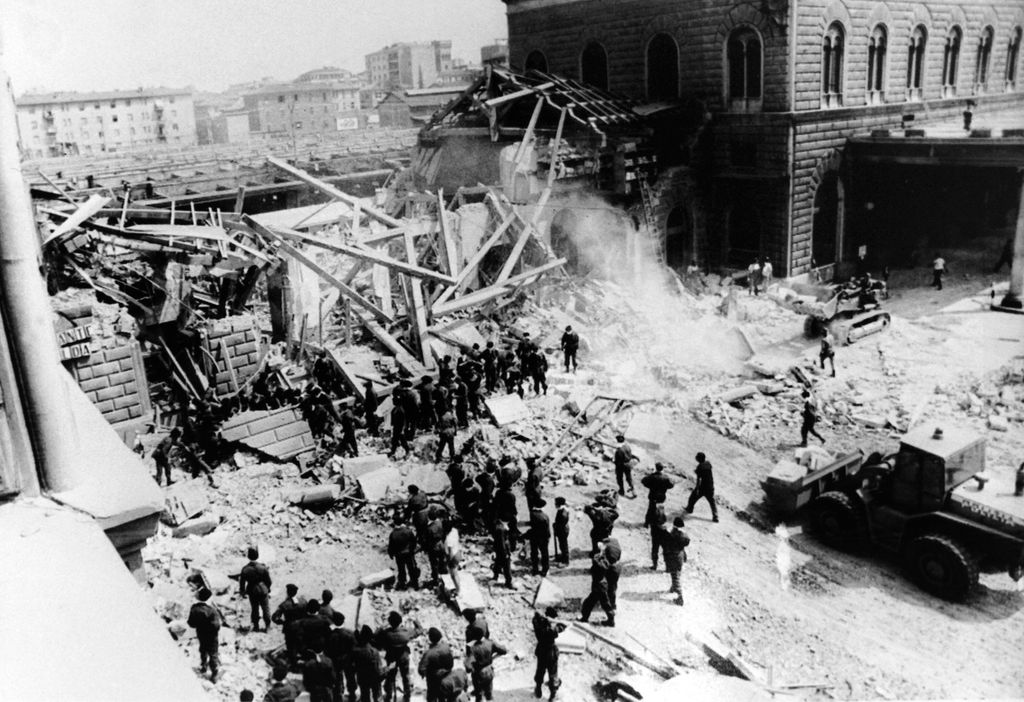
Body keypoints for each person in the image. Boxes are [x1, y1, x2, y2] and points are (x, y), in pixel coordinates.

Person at [375, 611, 420, 702]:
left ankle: (389, 695)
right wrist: (415, 620)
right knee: (405, 676)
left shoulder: (386, 634)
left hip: (391, 657)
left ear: (390, 622)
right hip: (403, 656)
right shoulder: (406, 632)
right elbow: (419, 630)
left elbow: (376, 636)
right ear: (400, 622)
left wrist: (382, 626)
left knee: (390, 677)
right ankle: (407, 695)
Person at [187, 587, 222, 682]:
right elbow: (217, 626)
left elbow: (191, 623)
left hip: (201, 634)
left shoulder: (194, 608)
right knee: (213, 655)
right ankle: (214, 674)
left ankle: (203, 667)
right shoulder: (212, 611)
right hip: (212, 637)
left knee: (203, 650)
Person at [532, 607, 566, 700]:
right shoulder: (552, 630)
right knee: (553, 674)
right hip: (551, 652)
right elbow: (562, 626)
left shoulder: (537, 623)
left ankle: (538, 689)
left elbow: (535, 619)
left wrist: (541, 617)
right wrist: (553, 622)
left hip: (541, 650)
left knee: (540, 670)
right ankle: (553, 695)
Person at [465, 628, 507, 702]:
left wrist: (469, 666)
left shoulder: (473, 648)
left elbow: (468, 667)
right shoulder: (490, 643)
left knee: (479, 695)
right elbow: (504, 650)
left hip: (478, 674)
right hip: (489, 671)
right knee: (489, 693)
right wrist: (493, 657)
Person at [239, 546, 272, 632]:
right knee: (266, 608)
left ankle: (256, 626)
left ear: (248, 556)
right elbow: (268, 581)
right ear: (257, 556)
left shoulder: (245, 569)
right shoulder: (262, 567)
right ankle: (267, 626)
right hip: (263, 589)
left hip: (252, 590)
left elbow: (242, 583)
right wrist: (267, 588)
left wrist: (242, 592)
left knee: (254, 609)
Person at [579, 549, 615, 627]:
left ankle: (585, 618)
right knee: (603, 604)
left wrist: (597, 556)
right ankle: (611, 620)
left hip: (598, 587)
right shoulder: (604, 564)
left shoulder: (598, 566)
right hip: (602, 585)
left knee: (590, 603)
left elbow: (595, 564)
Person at [328, 612, 358, 702]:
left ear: (333, 622)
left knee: (337, 678)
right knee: (350, 677)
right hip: (348, 660)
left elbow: (328, 649)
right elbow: (354, 648)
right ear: (343, 621)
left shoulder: (330, 635)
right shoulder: (350, 633)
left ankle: (338, 695)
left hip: (335, 660)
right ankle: (352, 694)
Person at [419, 627, 454, 702]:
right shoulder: (446, 647)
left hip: (433, 679)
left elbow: (421, 669)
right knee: (443, 697)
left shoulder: (429, 653)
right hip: (446, 677)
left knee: (432, 697)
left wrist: (425, 673)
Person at [661, 516, 691, 605]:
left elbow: (668, 542)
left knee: (675, 577)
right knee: (677, 574)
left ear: (674, 525)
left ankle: (679, 598)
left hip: (673, 558)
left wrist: (665, 531)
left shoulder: (674, 534)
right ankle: (673, 588)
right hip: (680, 557)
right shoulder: (684, 536)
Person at [388, 513, 421, 591]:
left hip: (399, 555)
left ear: (395, 523)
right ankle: (415, 584)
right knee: (411, 568)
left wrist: (391, 554)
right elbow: (414, 542)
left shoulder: (393, 534)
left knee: (401, 570)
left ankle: (402, 584)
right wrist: (412, 550)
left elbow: (391, 546)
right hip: (408, 553)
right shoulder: (408, 531)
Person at [352, 625, 384, 702]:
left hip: (362, 677)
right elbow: (378, 669)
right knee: (377, 695)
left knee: (365, 695)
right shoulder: (374, 651)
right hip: (374, 677)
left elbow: (352, 666)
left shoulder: (355, 651)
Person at [685, 452, 719, 522]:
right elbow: (707, 470)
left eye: (697, 457)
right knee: (712, 502)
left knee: (693, 497)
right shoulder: (708, 463)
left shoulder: (699, 467)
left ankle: (689, 509)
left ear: (699, 459)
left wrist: (697, 489)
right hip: (710, 486)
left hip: (702, 487)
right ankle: (715, 516)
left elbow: (699, 479)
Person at [641, 462, 674, 529]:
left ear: (656, 468)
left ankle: (647, 523)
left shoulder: (652, 476)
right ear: (662, 469)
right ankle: (658, 522)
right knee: (660, 509)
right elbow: (671, 485)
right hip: (661, 496)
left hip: (653, 496)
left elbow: (643, 481)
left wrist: (649, 486)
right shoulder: (666, 477)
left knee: (650, 510)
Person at [529, 498, 551, 577]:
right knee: (545, 554)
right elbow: (547, 530)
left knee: (534, 553)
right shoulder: (545, 516)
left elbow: (531, 527)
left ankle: (535, 569)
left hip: (534, 537)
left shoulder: (532, 514)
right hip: (544, 538)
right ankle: (545, 570)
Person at [492, 517, 514, 588]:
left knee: (498, 563)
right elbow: (502, 543)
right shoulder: (501, 530)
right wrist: (506, 553)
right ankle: (508, 582)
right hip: (503, 551)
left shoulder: (498, 528)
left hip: (499, 550)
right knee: (507, 567)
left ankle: (495, 577)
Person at [553, 497, 570, 566]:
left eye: (556, 503)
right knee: (562, 545)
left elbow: (560, 524)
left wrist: (556, 527)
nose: (554, 504)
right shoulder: (563, 510)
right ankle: (563, 556)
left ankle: (565, 561)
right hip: (563, 529)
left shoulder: (563, 514)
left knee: (563, 546)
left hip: (562, 531)